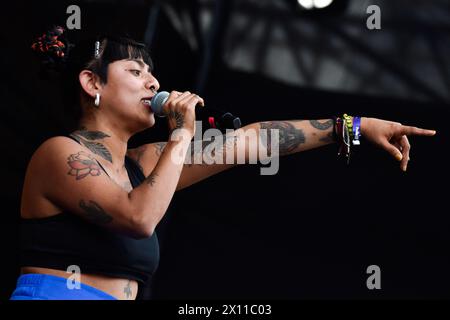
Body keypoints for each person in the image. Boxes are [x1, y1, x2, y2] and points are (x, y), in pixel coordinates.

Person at [10, 27, 436, 300]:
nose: (153, 82)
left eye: (152, 73)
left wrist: (353, 126)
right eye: (136, 71)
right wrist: (180, 134)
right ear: (92, 82)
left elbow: (253, 139)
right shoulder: (59, 153)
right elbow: (138, 218)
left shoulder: (146, 163)